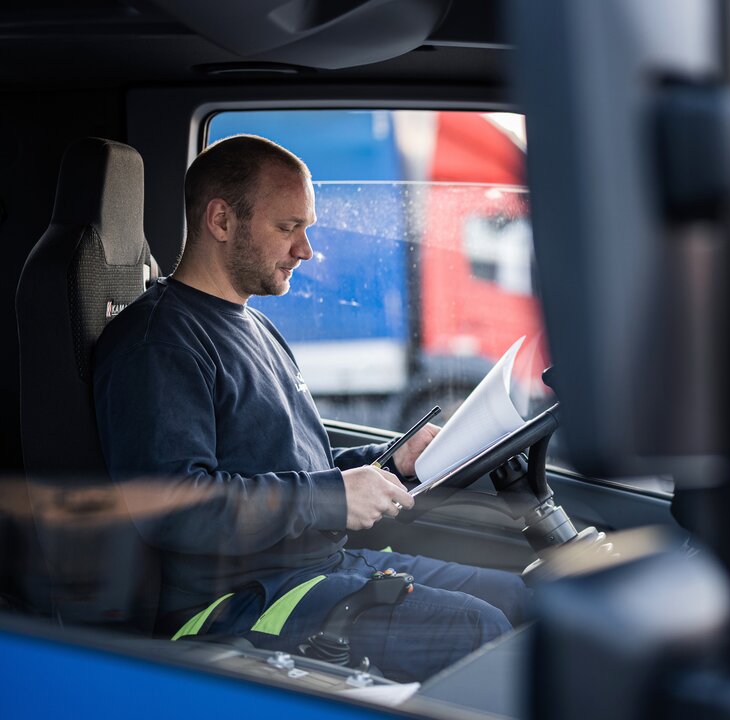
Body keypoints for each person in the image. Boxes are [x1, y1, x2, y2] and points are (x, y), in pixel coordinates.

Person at [93, 134, 529, 682]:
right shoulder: (158, 343)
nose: (306, 249)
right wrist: (330, 497)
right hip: (235, 601)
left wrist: (394, 461)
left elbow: (289, 459)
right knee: (478, 630)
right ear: (222, 221)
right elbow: (175, 508)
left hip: (318, 565)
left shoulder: (252, 323)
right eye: (287, 227)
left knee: (518, 597)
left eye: (308, 228)